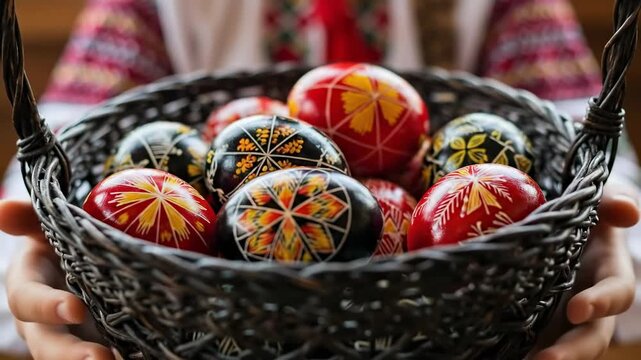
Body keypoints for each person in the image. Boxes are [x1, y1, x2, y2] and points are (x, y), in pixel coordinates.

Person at [0, 0, 639, 359]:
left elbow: (584, 154)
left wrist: (588, 231)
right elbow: (57, 159)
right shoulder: (150, 8)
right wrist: (57, 246)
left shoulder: (509, 8)